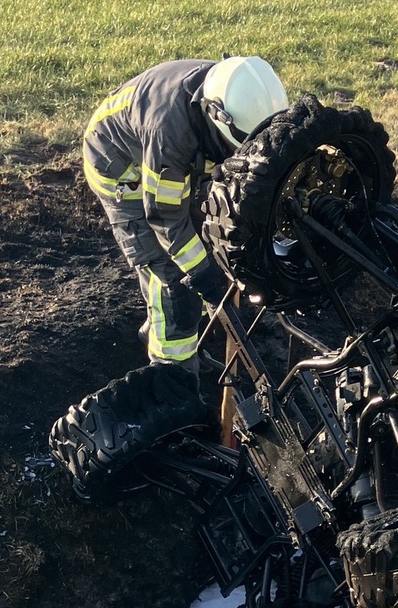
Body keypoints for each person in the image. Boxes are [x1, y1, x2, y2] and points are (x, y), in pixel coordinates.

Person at [83, 56, 289, 372]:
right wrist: (202, 274)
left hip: (171, 158)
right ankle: (173, 374)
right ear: (215, 118)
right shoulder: (170, 134)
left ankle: (167, 335)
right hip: (120, 165)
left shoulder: (235, 93)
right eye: (230, 146)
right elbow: (165, 218)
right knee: (171, 276)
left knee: (204, 246)